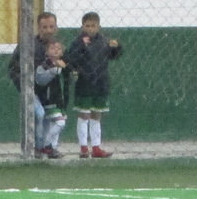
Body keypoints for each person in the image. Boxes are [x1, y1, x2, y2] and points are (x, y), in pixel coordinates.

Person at [64, 11, 121, 158]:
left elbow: (113, 56)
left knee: (97, 114)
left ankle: (96, 146)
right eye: (87, 26)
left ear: (99, 26)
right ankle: (83, 147)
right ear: (82, 26)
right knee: (84, 114)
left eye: (93, 26)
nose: (90, 28)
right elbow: (70, 57)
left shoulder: (103, 41)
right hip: (85, 83)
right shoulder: (78, 42)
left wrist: (116, 47)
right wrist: (77, 68)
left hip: (101, 83)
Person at [8, 11, 64, 156]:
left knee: (50, 119)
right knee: (38, 115)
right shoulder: (28, 45)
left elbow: (66, 67)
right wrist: (24, 86)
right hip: (31, 89)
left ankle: (46, 146)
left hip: (50, 92)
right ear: (38, 28)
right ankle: (32, 147)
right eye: (44, 27)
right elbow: (13, 68)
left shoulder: (58, 46)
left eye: (51, 27)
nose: (48, 30)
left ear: (56, 27)